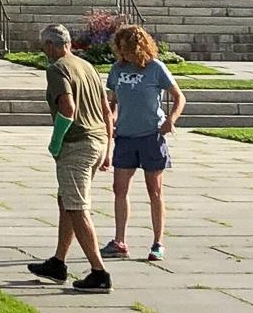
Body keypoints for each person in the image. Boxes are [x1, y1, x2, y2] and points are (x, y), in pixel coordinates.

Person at [28, 23, 114, 292]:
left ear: (52, 45)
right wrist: (108, 149)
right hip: (97, 139)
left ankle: (99, 273)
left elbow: (68, 108)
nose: (44, 52)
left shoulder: (57, 69)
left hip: (77, 144)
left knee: (77, 207)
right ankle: (58, 262)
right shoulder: (86, 65)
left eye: (44, 47)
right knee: (66, 199)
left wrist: (56, 142)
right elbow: (106, 110)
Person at [103, 24, 184, 262]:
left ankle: (158, 242)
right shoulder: (117, 69)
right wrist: (112, 120)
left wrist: (171, 120)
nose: (124, 54)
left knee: (155, 191)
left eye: (128, 50)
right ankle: (119, 241)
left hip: (151, 136)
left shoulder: (155, 68)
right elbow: (113, 101)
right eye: (121, 50)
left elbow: (179, 97)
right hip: (126, 137)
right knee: (119, 189)